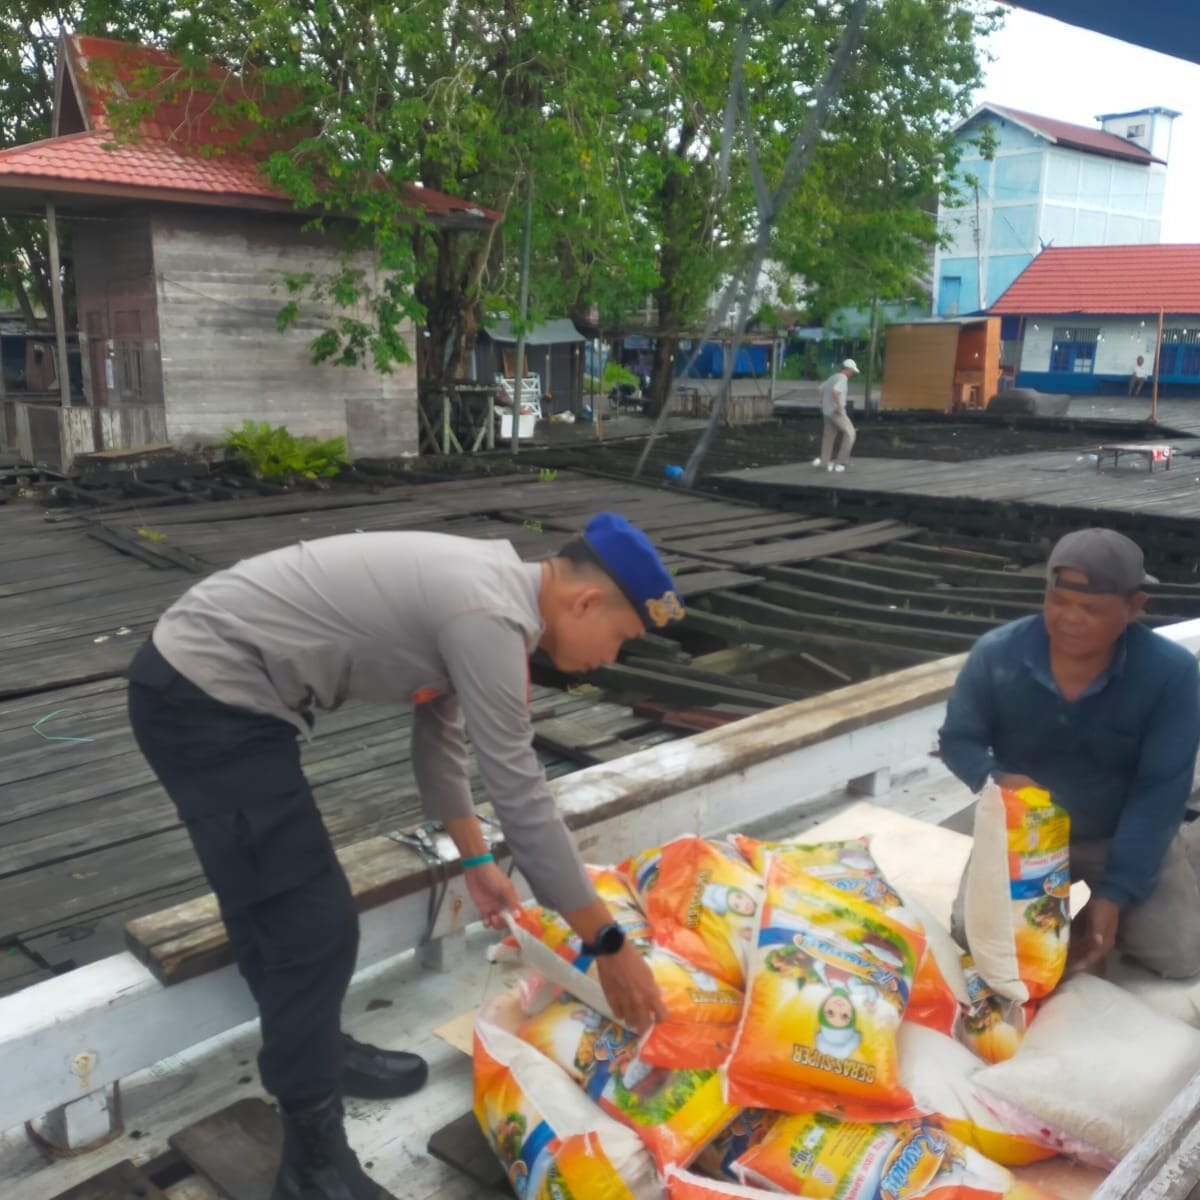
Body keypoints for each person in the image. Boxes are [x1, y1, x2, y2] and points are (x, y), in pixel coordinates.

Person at [126, 512, 679, 1200]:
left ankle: (315, 1048)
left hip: (216, 687)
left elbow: (437, 739)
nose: (613, 657)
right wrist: (608, 943)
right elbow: (522, 796)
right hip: (204, 697)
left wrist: (477, 865)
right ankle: (314, 1161)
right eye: (621, 637)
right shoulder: (490, 616)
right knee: (309, 926)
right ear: (585, 601)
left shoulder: (494, 591)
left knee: (281, 899)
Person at [939, 528, 1200, 982]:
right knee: (970, 937)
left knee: (1180, 956)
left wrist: (1113, 895)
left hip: (1116, 834)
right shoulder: (996, 654)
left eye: (1092, 609)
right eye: (1058, 602)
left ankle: (1179, 851)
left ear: (1135, 607)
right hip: (1027, 835)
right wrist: (997, 778)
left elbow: (1159, 792)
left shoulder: (1173, 675)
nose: (1070, 619)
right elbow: (958, 740)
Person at [812, 358, 859, 473]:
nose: (852, 373)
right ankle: (841, 461)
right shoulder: (843, 378)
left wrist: (822, 401)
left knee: (828, 437)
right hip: (837, 413)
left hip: (826, 412)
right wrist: (838, 406)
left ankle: (824, 462)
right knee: (850, 433)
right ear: (847, 369)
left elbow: (820, 389)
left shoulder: (833, 377)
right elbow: (835, 391)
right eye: (852, 371)